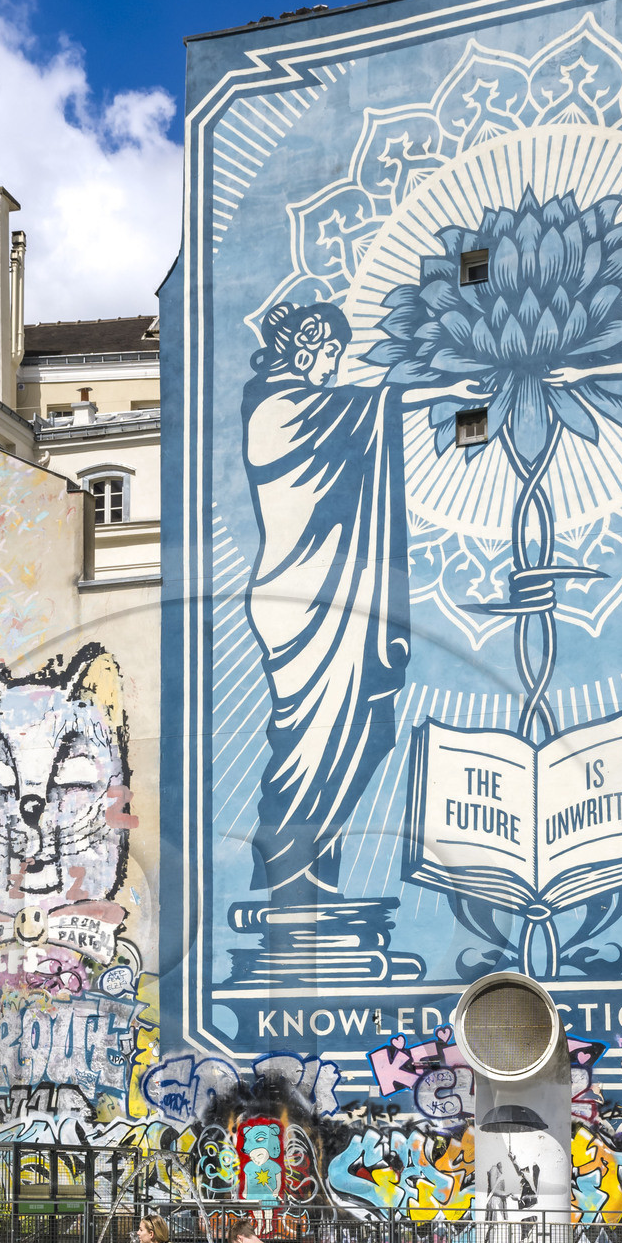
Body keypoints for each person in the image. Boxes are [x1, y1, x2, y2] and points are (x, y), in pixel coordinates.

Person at [238, 302, 412, 906]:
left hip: (345, 597)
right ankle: (287, 878)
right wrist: (410, 388)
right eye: (331, 353)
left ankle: (317, 872)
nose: (337, 366)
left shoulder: (320, 406)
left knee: (362, 734)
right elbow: (355, 411)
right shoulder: (271, 409)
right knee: (306, 744)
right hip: (300, 600)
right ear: (303, 349)